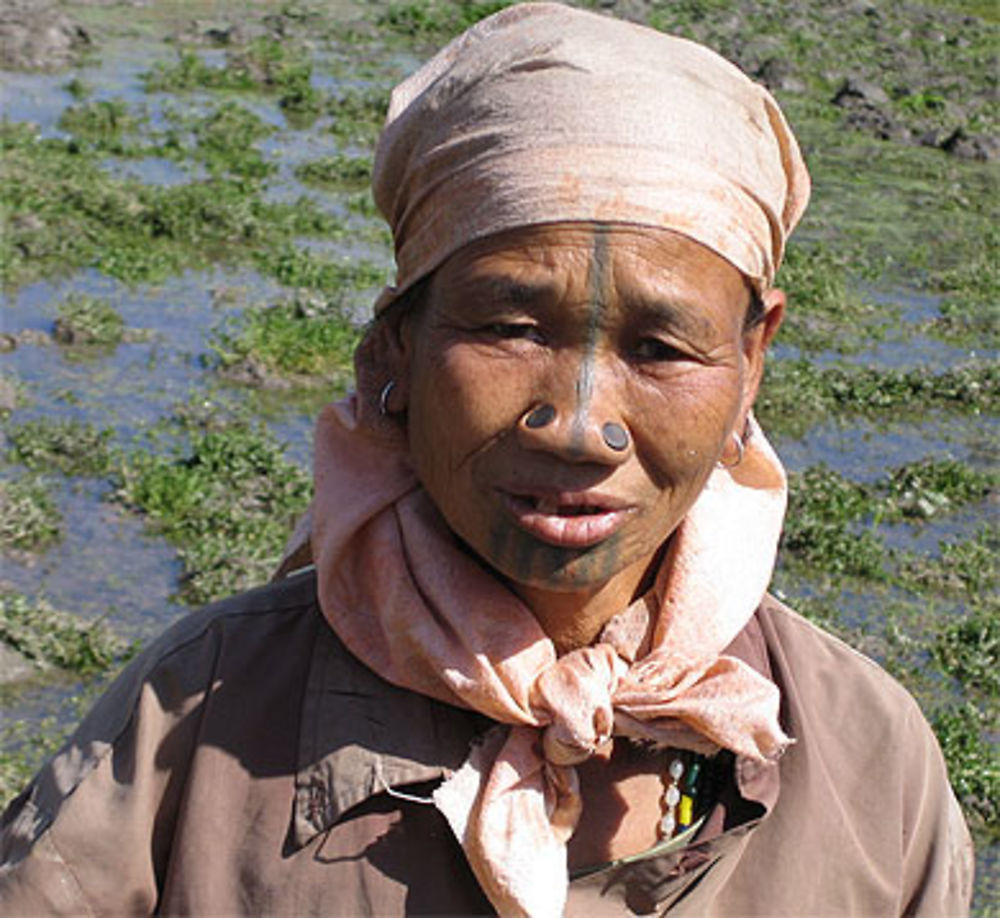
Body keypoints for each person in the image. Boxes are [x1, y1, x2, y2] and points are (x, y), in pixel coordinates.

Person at [0, 3, 973, 915]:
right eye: (510, 326)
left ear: (751, 360)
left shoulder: (869, 764)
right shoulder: (194, 725)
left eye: (660, 348)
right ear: (395, 352)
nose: (581, 423)